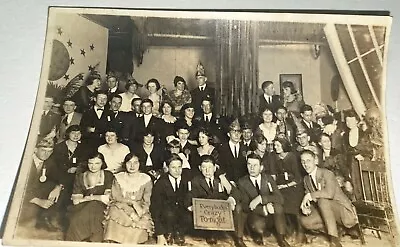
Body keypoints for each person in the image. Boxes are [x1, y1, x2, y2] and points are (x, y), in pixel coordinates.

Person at [299, 150, 358, 247]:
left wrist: (309, 196)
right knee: (305, 221)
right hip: (327, 213)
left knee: (323, 201)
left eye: (308, 160)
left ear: (316, 160)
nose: (306, 164)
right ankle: (337, 229)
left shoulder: (327, 173)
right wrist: (307, 208)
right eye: (303, 161)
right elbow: (313, 202)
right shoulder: (306, 179)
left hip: (344, 213)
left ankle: (334, 241)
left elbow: (329, 194)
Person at [185, 155, 244, 247]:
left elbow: (237, 193)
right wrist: (191, 206)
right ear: (200, 168)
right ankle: (211, 234)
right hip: (208, 214)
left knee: (238, 207)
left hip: (222, 211)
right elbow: (189, 196)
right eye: (204, 168)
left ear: (215, 168)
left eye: (210, 167)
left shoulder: (221, 179)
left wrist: (231, 199)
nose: (207, 171)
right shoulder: (196, 181)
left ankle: (238, 237)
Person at [237, 153, 291, 247]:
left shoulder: (268, 178)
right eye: (249, 164)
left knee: (278, 206)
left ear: (261, 167)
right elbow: (245, 206)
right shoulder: (242, 182)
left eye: (255, 165)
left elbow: (280, 198)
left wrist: (262, 199)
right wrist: (264, 209)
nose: (252, 168)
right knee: (258, 227)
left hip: (271, 215)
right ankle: (256, 234)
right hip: (254, 216)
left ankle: (281, 238)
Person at [103, 153, 154, 243]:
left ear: (140, 164)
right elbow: (116, 197)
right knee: (114, 213)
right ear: (125, 164)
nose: (132, 166)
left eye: (135, 163)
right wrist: (131, 203)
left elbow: (147, 201)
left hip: (139, 209)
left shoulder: (146, 179)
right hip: (120, 207)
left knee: (139, 226)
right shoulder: (119, 177)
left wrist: (141, 211)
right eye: (129, 162)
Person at [46, 125, 87, 230]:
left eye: (78, 134)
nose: (76, 136)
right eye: (73, 133)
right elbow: (52, 166)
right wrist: (64, 173)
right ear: (68, 134)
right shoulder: (59, 147)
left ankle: (66, 220)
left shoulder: (83, 148)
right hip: (57, 175)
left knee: (72, 186)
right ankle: (54, 217)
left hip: (74, 177)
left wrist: (76, 168)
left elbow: (85, 163)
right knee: (64, 185)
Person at [66, 152, 113, 242]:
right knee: (81, 215)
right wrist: (96, 197)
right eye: (90, 163)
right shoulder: (80, 177)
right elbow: (76, 201)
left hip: (102, 206)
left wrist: (89, 198)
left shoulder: (108, 175)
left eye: (97, 163)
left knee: (94, 207)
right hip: (82, 207)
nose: (93, 166)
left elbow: (107, 198)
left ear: (102, 163)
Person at [270, 138, 306, 244]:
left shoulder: (292, 157)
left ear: (284, 145)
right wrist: (275, 187)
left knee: (293, 199)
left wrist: (285, 185)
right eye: (275, 145)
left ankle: (300, 231)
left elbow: (297, 178)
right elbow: (273, 174)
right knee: (280, 199)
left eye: (278, 145)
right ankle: (289, 229)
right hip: (281, 185)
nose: (275, 147)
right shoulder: (273, 156)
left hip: (293, 184)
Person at [151, 153, 192, 246]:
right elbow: (155, 207)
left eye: (179, 167)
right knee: (168, 214)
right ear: (167, 168)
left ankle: (179, 232)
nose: (177, 170)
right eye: (173, 167)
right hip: (166, 214)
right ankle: (168, 233)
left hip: (181, 212)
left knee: (188, 217)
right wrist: (159, 232)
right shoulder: (161, 183)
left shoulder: (186, 179)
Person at [19, 138, 59, 231]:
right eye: (43, 150)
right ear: (35, 149)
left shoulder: (50, 162)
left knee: (55, 189)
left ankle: (44, 219)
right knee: (26, 219)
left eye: (50, 151)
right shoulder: (25, 162)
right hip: (24, 195)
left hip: (36, 191)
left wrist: (58, 187)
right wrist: (37, 201)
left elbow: (57, 177)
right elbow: (19, 187)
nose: (46, 154)